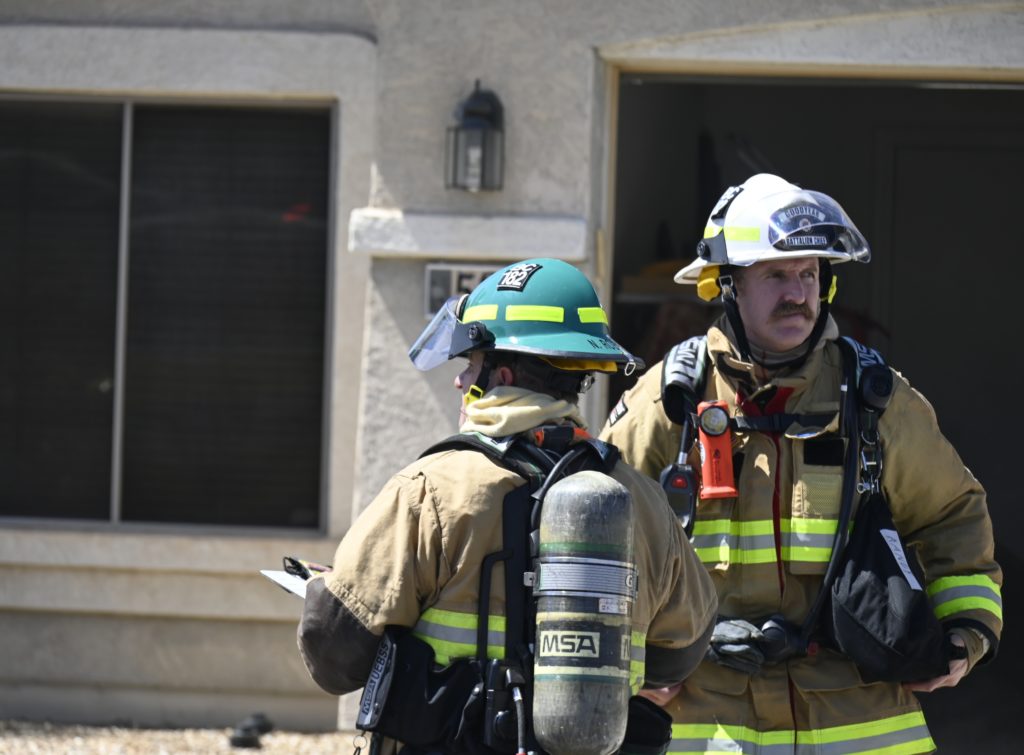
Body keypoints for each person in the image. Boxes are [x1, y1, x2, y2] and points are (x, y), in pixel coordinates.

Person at [599, 174, 1003, 754]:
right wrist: (631, 660)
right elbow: (598, 536)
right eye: (775, 276)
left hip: (859, 715)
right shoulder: (669, 402)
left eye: (809, 274)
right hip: (703, 714)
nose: (798, 294)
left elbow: (952, 514)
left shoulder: (875, 401)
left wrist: (966, 631)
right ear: (729, 285)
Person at [298, 257, 718, 754]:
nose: (459, 382)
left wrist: (324, 589)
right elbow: (678, 655)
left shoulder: (430, 489)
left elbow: (334, 653)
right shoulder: (642, 500)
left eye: (469, 365)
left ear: (498, 374)